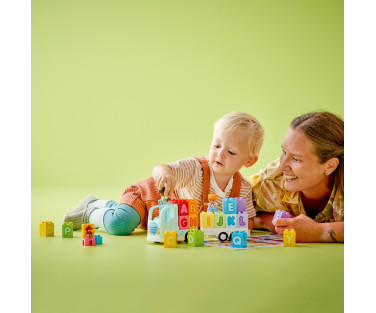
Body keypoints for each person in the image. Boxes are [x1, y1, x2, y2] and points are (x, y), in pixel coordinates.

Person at [63, 111, 264, 235]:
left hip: (164, 223)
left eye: (230, 152)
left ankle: (109, 208)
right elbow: (162, 168)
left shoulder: (243, 189)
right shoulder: (196, 169)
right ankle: (93, 208)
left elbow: (246, 222)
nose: (220, 154)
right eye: (216, 145)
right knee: (121, 224)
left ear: (249, 160)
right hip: (146, 199)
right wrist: (165, 174)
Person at [248, 112, 344, 243]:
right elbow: (230, 211)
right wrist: (267, 220)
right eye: (284, 152)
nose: (282, 166)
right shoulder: (269, 182)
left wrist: (318, 232)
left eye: (296, 159)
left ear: (330, 166)